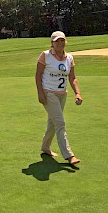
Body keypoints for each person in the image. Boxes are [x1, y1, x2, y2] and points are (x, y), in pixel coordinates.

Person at [35, 31, 82, 165]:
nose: (60, 43)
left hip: (62, 94)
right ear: (52, 43)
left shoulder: (69, 58)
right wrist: (40, 93)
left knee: (53, 122)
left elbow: (72, 77)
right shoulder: (45, 55)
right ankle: (69, 155)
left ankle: (45, 147)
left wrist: (77, 93)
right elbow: (38, 76)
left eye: (62, 41)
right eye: (57, 41)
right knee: (60, 122)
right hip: (48, 93)